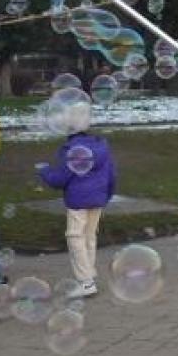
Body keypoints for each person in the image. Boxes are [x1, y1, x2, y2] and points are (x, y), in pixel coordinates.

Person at [37, 107, 116, 298]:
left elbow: (60, 179)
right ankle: (90, 277)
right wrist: (107, 195)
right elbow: (112, 174)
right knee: (89, 236)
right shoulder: (101, 146)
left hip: (78, 200)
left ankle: (86, 282)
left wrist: (44, 170)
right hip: (98, 198)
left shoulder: (71, 150)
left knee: (75, 237)